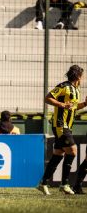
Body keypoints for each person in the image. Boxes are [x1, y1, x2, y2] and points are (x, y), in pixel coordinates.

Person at [37, 65, 87, 195]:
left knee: (58, 154)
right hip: (60, 124)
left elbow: (74, 107)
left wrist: (85, 104)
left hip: (68, 126)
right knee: (73, 150)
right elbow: (47, 97)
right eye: (82, 76)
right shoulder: (64, 86)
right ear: (78, 76)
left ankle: (43, 183)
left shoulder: (76, 89)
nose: (82, 78)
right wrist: (61, 104)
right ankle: (64, 184)